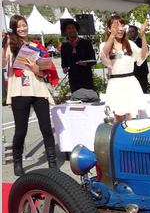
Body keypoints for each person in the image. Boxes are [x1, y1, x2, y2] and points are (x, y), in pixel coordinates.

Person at [2, 15, 60, 176]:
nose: (22, 28)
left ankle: (52, 162)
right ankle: (18, 162)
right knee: (21, 130)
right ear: (13, 29)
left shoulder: (37, 45)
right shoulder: (10, 46)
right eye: (18, 26)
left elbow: (44, 71)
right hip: (19, 91)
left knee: (46, 129)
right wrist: (3, 45)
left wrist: (37, 70)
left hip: (38, 90)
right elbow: (1, 64)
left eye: (24, 25)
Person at [100, 15, 149, 121]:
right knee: (120, 119)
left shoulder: (130, 44)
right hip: (116, 84)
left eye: (122, 25)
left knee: (134, 118)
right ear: (109, 28)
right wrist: (112, 37)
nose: (120, 28)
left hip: (131, 82)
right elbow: (103, 56)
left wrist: (143, 35)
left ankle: (134, 137)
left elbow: (143, 54)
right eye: (116, 25)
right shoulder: (104, 45)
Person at [60, 19, 97, 93]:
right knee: (76, 101)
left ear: (76, 30)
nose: (71, 30)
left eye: (73, 28)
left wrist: (86, 63)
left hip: (86, 77)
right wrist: (64, 68)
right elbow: (64, 62)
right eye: (68, 28)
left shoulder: (86, 43)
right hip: (73, 79)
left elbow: (93, 60)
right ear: (65, 31)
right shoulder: (64, 46)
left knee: (89, 99)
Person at [127, 25, 150, 94]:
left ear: (136, 32)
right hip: (132, 70)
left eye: (132, 31)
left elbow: (145, 54)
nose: (130, 33)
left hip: (141, 69)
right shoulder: (128, 43)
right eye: (129, 31)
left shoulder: (141, 41)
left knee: (143, 89)